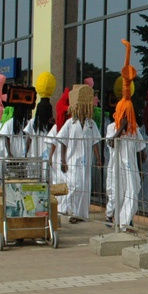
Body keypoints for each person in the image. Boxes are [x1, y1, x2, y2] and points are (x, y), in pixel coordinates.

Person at [105, 42, 146, 228]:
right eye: (124, 114)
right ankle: (118, 221)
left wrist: (141, 168)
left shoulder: (135, 131)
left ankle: (125, 221)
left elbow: (141, 150)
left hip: (131, 169)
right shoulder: (112, 129)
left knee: (133, 191)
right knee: (118, 193)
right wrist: (120, 129)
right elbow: (111, 144)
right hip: (117, 168)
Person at [56, 84, 102, 222]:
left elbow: (95, 142)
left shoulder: (91, 124)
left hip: (86, 161)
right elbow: (63, 141)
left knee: (85, 187)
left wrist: (98, 158)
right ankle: (72, 212)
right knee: (74, 186)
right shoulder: (70, 123)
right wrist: (63, 160)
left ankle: (82, 214)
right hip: (72, 160)